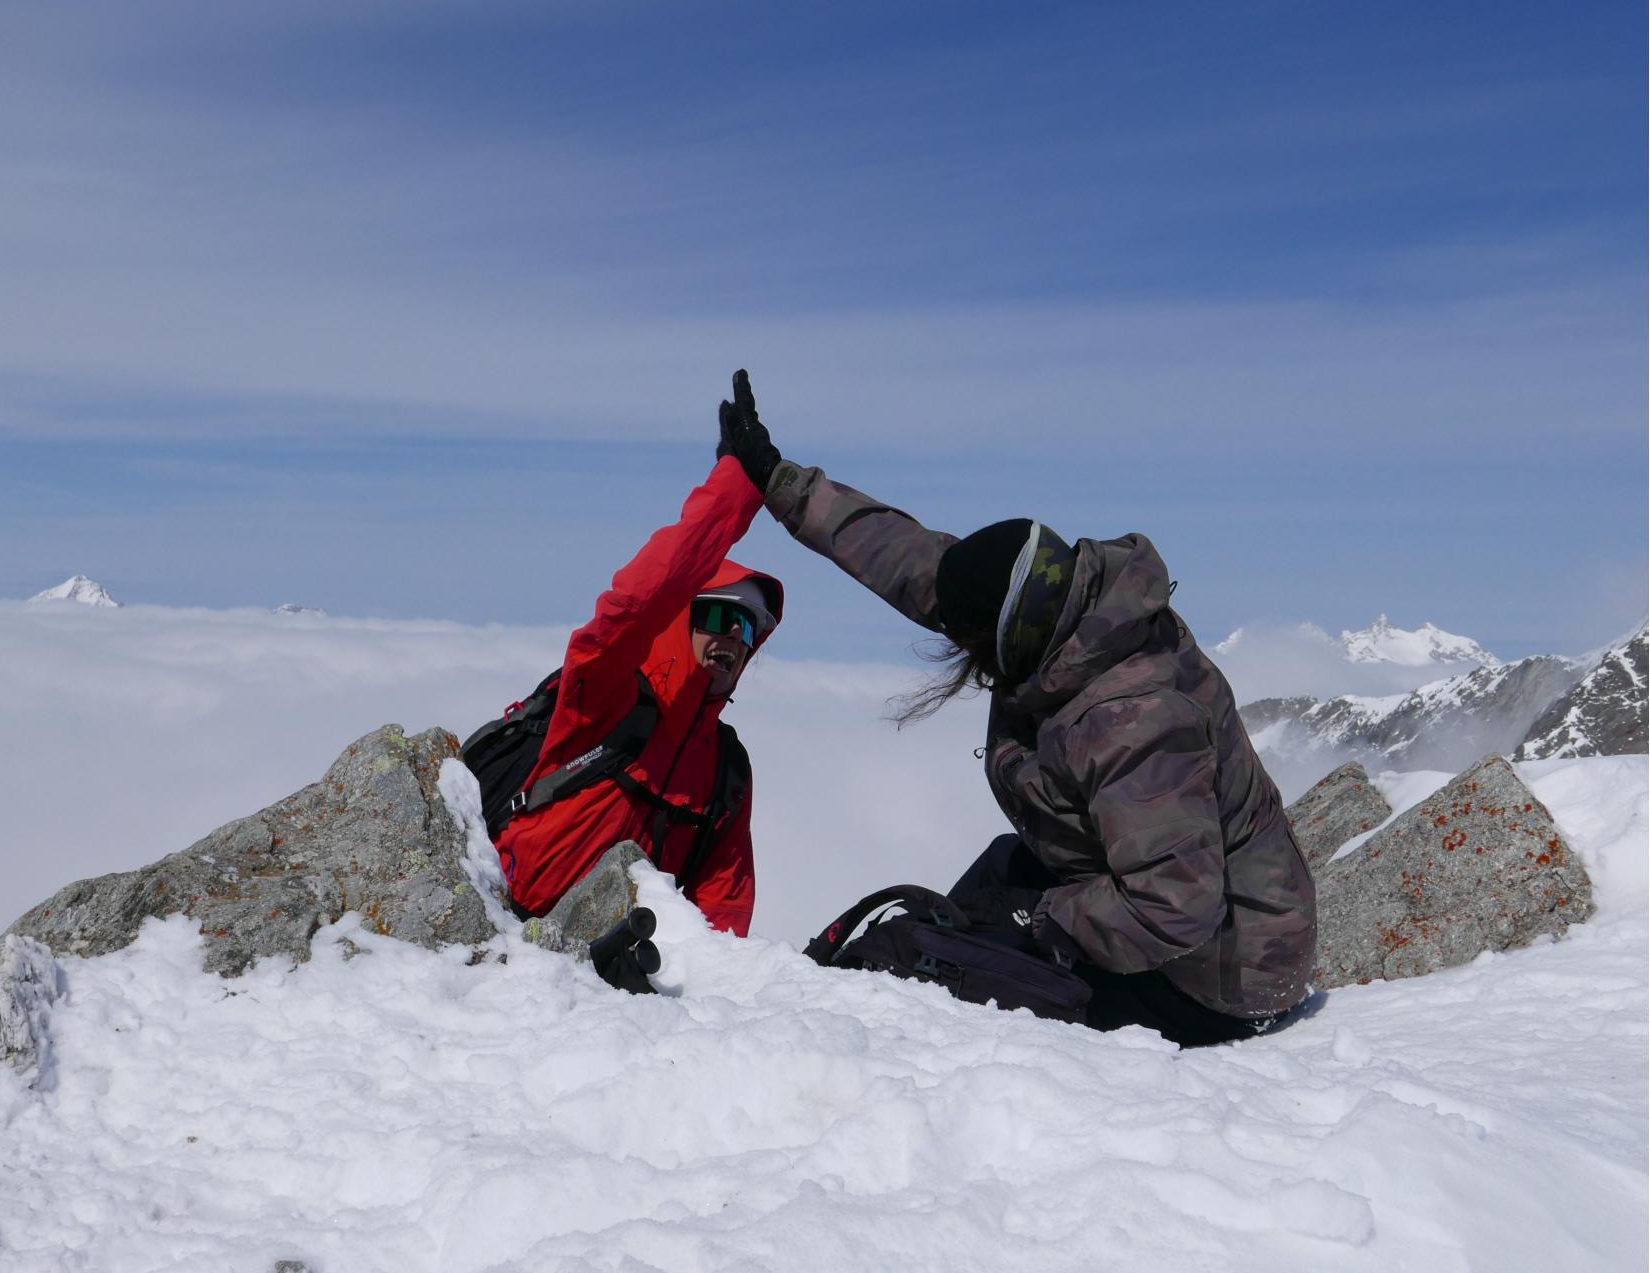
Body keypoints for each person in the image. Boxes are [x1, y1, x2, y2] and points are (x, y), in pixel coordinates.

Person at [716, 370, 1315, 1046]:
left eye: (970, 644)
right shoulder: (1066, 613)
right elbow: (921, 567)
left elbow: (1173, 907)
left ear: (1011, 642)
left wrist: (1042, 920)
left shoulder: (1131, 722)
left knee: (922, 958)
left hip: (1218, 978)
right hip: (1198, 914)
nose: (959, 650)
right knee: (990, 883)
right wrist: (779, 481)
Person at [493, 450, 782, 937]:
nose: (734, 636)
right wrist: (737, 485)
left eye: (748, 628)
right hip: (503, 931)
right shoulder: (609, 691)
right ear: (681, 615)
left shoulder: (726, 769)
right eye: (718, 616)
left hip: (613, 970)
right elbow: (641, 598)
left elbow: (724, 905)